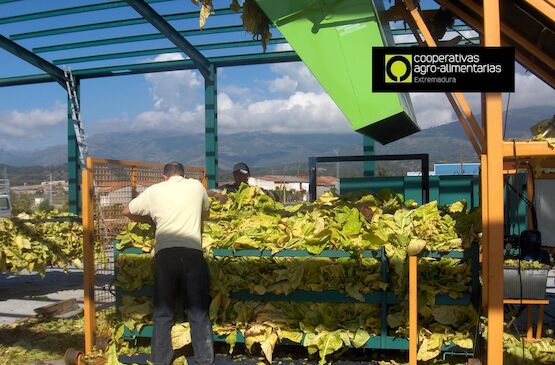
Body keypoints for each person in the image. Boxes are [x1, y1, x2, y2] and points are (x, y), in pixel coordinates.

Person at [122, 162, 213, 365]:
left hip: (165, 256)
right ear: (183, 175)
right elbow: (205, 213)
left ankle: (160, 360)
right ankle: (204, 360)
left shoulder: (154, 190)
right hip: (192, 254)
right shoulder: (197, 186)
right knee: (198, 311)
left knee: (163, 312)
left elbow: (126, 210)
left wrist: (150, 221)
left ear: (164, 177)